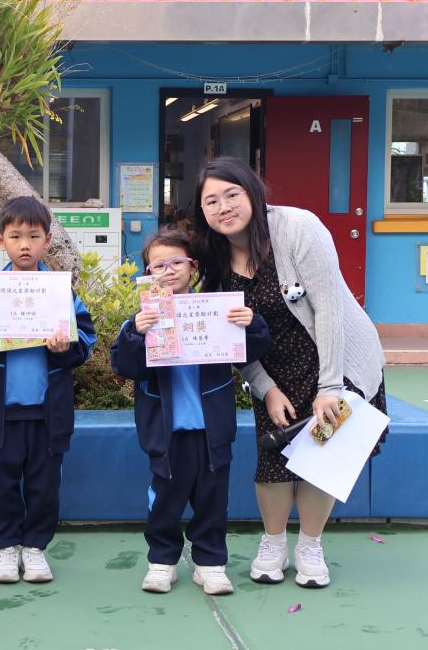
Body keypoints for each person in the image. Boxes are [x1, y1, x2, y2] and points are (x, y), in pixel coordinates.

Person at [191, 156, 386, 590]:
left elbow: (330, 309)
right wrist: (265, 388)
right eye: (211, 201)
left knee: (322, 456)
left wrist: (330, 387)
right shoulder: (211, 253)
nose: (223, 207)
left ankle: (310, 545)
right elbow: (227, 334)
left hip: (333, 359)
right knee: (273, 461)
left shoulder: (298, 228)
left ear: (253, 192)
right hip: (272, 369)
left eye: (232, 194)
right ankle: (273, 542)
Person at [111, 228, 270, 595]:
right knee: (164, 500)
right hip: (165, 433)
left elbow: (254, 348)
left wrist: (251, 322)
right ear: (148, 273)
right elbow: (125, 366)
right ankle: (161, 562)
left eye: (177, 262)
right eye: (158, 265)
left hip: (212, 430)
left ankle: (210, 564)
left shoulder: (217, 311)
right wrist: (136, 334)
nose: (168, 271)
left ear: (193, 267)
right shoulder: (140, 320)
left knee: (213, 499)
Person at [0, 196, 96, 584]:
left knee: (44, 485)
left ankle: (36, 548)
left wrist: (64, 348)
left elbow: (85, 343)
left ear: (47, 240)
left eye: (34, 236)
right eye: (16, 236)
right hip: (1, 412)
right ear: (0, 240)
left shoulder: (61, 294)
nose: (25, 245)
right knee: (2, 484)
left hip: (47, 413)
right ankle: (6, 549)